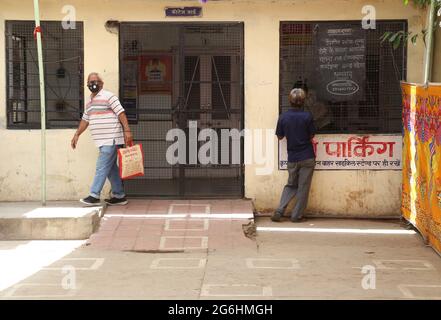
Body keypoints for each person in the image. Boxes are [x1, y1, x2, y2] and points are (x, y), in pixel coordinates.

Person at [71, 72, 133, 206]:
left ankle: (94, 195)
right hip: (101, 141)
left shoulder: (109, 96)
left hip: (111, 139)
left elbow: (121, 113)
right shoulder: (89, 102)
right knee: (111, 169)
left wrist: (127, 130)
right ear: (87, 85)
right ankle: (119, 195)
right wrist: (77, 134)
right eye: (90, 82)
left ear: (101, 83)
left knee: (101, 167)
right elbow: (85, 120)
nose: (93, 84)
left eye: (96, 81)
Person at [272, 88, 316, 222]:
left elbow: (280, 137)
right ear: (303, 101)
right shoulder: (307, 116)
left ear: (289, 101)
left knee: (291, 184)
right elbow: (312, 135)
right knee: (303, 187)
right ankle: (296, 216)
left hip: (292, 157)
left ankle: (280, 210)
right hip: (307, 156)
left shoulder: (283, 117)